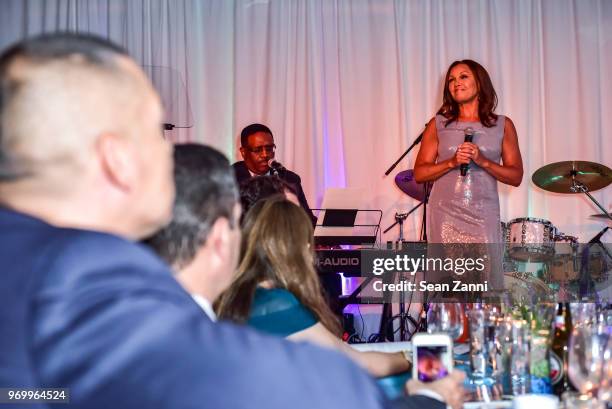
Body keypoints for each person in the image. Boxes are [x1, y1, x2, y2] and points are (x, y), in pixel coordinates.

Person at [0, 33, 463, 409]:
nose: (169, 152)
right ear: (116, 158)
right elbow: (214, 378)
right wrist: (423, 399)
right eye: (156, 134)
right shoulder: (89, 273)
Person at [217, 196, 410, 377]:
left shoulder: (232, 295)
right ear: (297, 248)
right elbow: (355, 363)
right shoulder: (276, 304)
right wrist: (409, 358)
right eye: (308, 243)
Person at [414, 59, 523, 290]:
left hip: (483, 214)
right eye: (451, 79)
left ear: (480, 83)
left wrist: (482, 161)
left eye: (463, 77)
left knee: (484, 286)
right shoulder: (438, 124)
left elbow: (515, 176)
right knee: (448, 288)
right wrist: (452, 162)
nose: (456, 83)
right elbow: (420, 173)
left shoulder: (503, 125)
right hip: (445, 214)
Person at [233, 123, 317, 224]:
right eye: (258, 150)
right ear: (243, 152)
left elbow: (307, 220)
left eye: (269, 149)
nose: (265, 155)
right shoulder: (231, 179)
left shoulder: (289, 179)